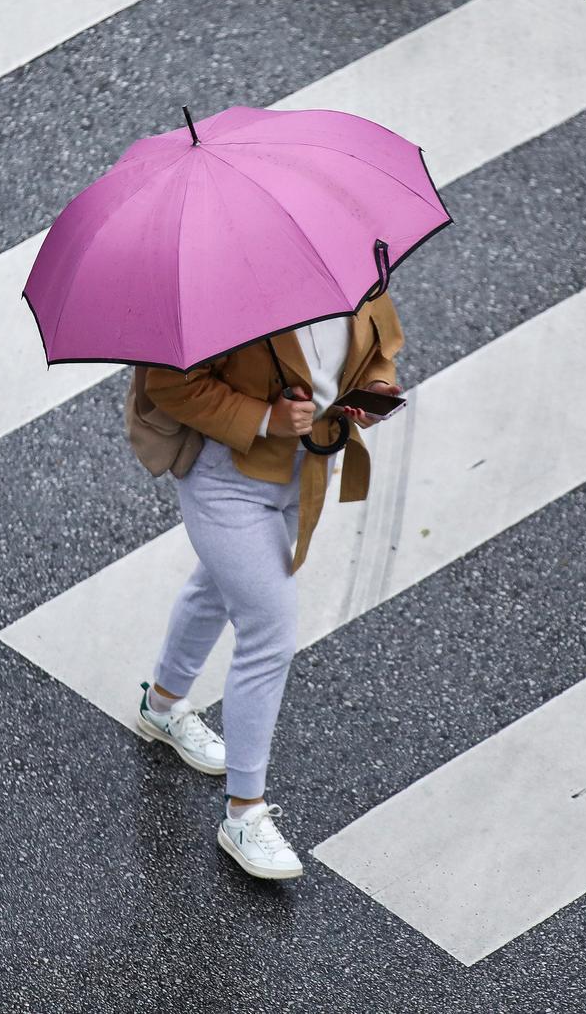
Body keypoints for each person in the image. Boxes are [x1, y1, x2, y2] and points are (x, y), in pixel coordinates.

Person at [134, 290, 405, 880]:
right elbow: (168, 384)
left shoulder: (349, 267)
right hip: (227, 480)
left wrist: (374, 390)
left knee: (217, 587)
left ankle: (161, 706)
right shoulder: (217, 293)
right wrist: (266, 418)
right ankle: (244, 812)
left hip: (302, 470)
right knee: (270, 631)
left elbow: (377, 343)